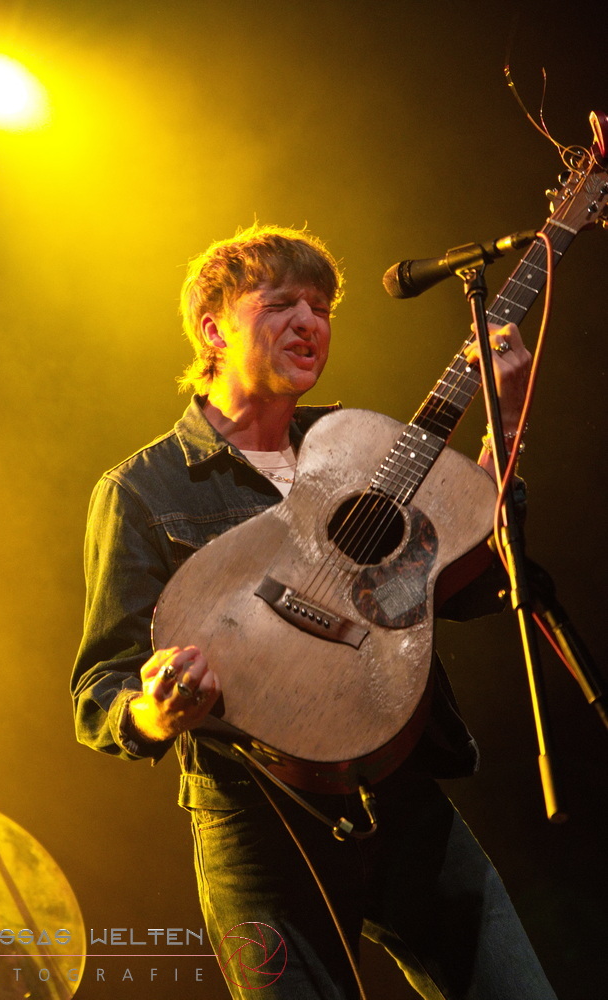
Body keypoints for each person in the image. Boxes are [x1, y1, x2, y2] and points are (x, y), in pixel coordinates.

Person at [71, 224, 558, 999]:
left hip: (402, 794)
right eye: (280, 304)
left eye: (321, 307)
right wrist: (154, 710)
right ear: (212, 331)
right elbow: (100, 685)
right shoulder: (143, 489)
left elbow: (469, 580)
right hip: (256, 821)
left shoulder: (354, 447)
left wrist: (504, 421)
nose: (309, 322)